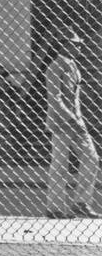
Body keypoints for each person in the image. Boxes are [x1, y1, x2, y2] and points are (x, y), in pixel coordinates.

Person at [44, 29, 100, 219]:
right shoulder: (54, 67)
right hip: (62, 123)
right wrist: (71, 119)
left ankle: (81, 203)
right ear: (65, 45)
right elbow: (55, 99)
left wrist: (79, 120)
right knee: (60, 165)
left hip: (77, 122)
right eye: (75, 44)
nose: (79, 47)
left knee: (91, 159)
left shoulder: (74, 66)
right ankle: (55, 208)